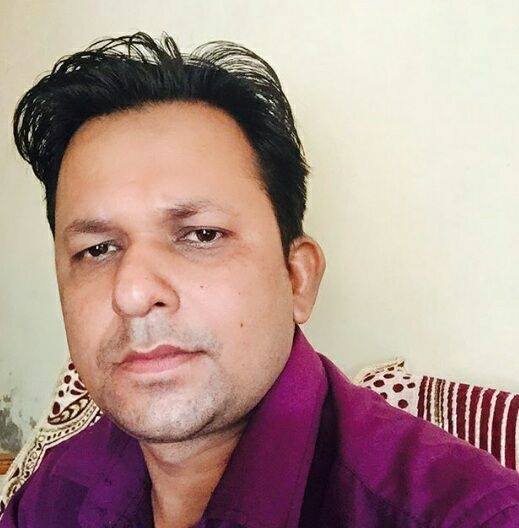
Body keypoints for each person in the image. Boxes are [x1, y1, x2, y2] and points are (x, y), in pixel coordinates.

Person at [1, 31, 518, 528]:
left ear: (297, 278)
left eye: (201, 235)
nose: (132, 292)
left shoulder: (466, 514)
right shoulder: (56, 489)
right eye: (97, 249)